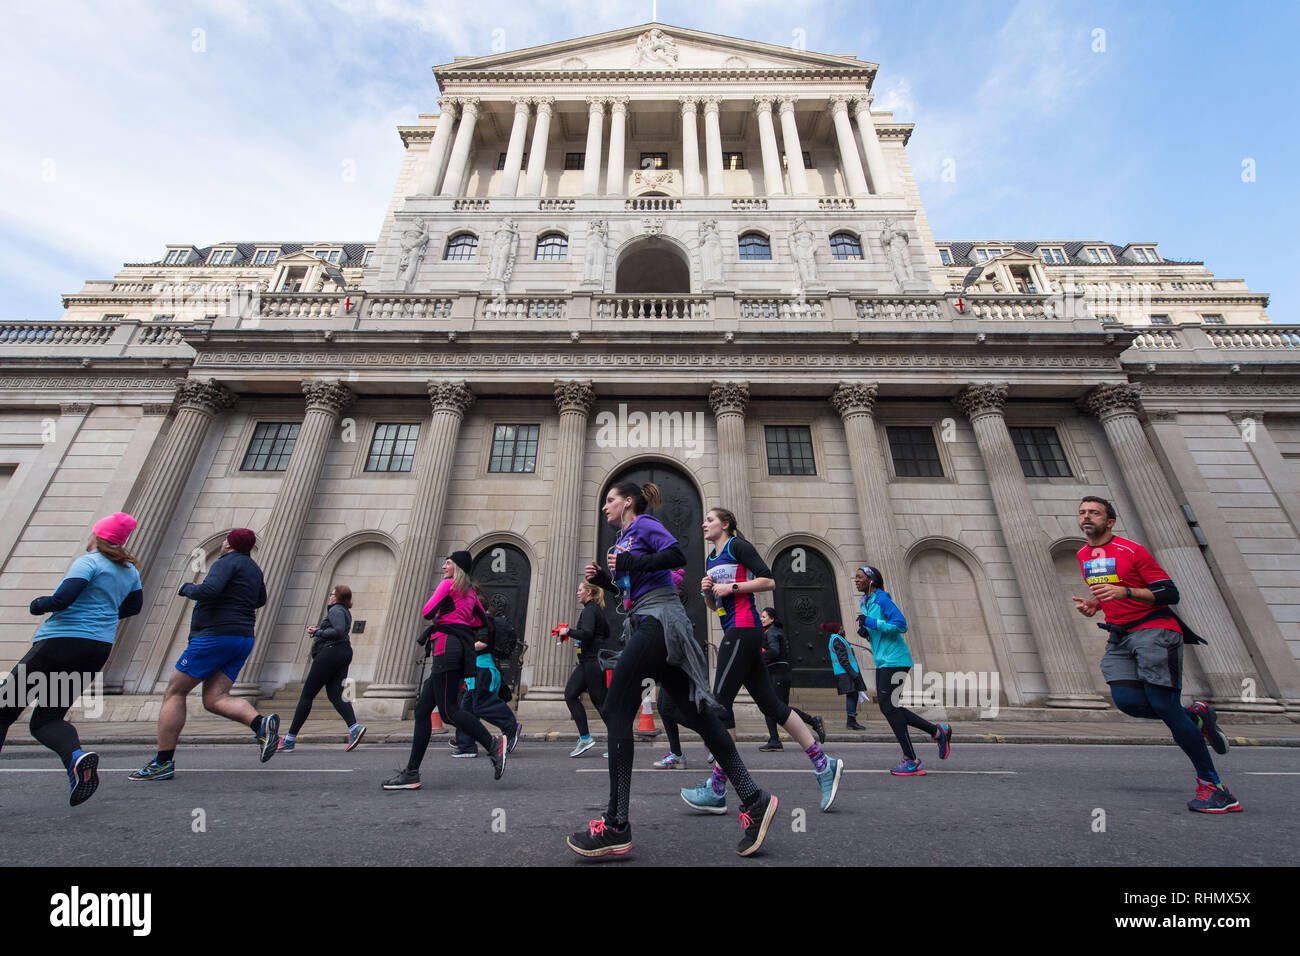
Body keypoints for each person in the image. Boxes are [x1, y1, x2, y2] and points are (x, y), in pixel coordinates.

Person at [565, 481, 778, 859]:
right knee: (692, 712)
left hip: (659, 620)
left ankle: (616, 825)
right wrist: (604, 582)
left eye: (610, 500)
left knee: (616, 709)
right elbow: (633, 589)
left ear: (628, 502)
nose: (605, 508)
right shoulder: (625, 540)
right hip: (647, 616)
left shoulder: (644, 524)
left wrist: (632, 563)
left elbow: (676, 556)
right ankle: (752, 797)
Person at [1072, 496, 1238, 813]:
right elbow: (1109, 588)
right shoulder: (1083, 554)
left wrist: (1127, 592)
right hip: (1120, 635)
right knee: (1127, 701)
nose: (1086, 516)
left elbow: (1169, 593)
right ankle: (1196, 717)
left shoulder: (1132, 551)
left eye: (1095, 512)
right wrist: (1097, 604)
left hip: (1154, 631)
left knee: (1164, 704)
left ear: (1110, 522)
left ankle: (1215, 787)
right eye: (1082, 512)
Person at [680, 507, 843, 813]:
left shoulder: (737, 546)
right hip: (735, 629)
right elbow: (718, 607)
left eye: (711, 519)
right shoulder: (711, 559)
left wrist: (733, 587)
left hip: (745, 629)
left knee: (719, 705)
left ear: (726, 524)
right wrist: (709, 596)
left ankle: (717, 788)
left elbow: (768, 581)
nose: (704, 523)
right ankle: (824, 764)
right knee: (772, 706)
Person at [1, 513, 143, 806]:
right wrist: (101, 616)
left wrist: (39, 605)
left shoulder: (88, 561)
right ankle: (76, 758)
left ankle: (77, 759)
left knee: (3, 708)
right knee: (47, 718)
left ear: (98, 536)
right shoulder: (130, 571)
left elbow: (63, 599)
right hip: (96, 649)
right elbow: (134, 606)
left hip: (59, 643)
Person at [130, 528, 280, 781]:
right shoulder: (254, 569)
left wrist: (188, 588)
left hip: (214, 636)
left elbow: (210, 590)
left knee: (174, 693)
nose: (222, 543)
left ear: (230, 544)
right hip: (242, 637)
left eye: (225, 540)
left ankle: (163, 762)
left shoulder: (226, 562)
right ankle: (260, 725)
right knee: (215, 698)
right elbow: (261, 600)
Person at [383, 551, 506, 789]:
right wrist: (461, 620)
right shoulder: (470, 592)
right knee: (422, 711)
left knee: (449, 711)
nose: (443, 567)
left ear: (457, 567)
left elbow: (427, 611)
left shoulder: (448, 585)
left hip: (445, 647)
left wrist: (448, 619)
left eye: (447, 563)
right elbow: (482, 621)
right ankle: (411, 773)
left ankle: (492, 744)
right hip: (458, 648)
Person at [855, 565, 951, 775]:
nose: (856, 580)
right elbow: (879, 631)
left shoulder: (882, 600)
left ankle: (912, 759)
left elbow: (900, 624)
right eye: (855, 577)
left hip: (896, 660)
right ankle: (937, 732)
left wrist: (871, 621)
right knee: (890, 707)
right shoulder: (866, 602)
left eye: (860, 577)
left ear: (871, 580)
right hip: (883, 660)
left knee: (889, 707)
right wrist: (866, 631)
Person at [278, 585, 365, 753]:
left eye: (332, 594)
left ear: (337, 597)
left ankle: (289, 739)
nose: (330, 597)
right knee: (335, 695)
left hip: (331, 652)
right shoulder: (344, 611)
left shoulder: (336, 610)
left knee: (307, 695)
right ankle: (354, 728)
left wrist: (318, 631)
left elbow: (338, 631)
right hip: (343, 652)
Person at [450, 599, 522, 757]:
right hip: (475, 669)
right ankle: (466, 745)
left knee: (481, 704)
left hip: (482, 669)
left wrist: (462, 647)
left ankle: (510, 726)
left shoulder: (481, 621)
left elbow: (482, 643)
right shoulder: (474, 620)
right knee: (467, 709)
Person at [560, 579, 613, 757]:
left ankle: (618, 741)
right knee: (570, 694)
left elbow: (588, 633)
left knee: (601, 703)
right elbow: (605, 632)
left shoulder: (590, 610)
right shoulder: (595, 610)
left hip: (592, 662)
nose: (577, 592)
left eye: (580, 589)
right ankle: (585, 738)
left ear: (588, 593)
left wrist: (568, 631)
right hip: (587, 661)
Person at [756, 607, 823, 750]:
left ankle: (777, 739)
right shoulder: (769, 631)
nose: (761, 619)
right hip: (776, 673)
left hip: (778, 673)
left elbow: (774, 651)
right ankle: (775, 739)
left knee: (775, 707)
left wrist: (758, 655)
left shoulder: (772, 632)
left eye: (764, 617)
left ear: (772, 619)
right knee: (775, 707)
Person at [825, 622, 867, 730]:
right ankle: (851, 722)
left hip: (846, 672)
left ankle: (851, 721)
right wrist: (854, 674)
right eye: (841, 628)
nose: (843, 629)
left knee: (853, 696)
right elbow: (843, 660)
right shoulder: (837, 640)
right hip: (846, 673)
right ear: (837, 630)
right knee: (852, 696)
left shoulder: (838, 639)